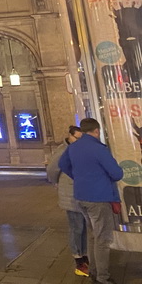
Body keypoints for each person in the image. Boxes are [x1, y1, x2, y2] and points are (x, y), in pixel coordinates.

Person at [58, 118, 123, 284]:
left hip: (81, 196)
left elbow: (62, 164)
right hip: (99, 198)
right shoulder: (98, 149)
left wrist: (79, 177)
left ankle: (93, 271)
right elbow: (116, 173)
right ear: (96, 131)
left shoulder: (74, 147)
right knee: (103, 239)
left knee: (93, 235)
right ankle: (103, 277)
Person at [48, 125, 89, 277]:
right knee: (76, 227)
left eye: (80, 138)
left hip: (79, 193)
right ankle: (78, 258)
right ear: (69, 136)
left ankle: (84, 255)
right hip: (69, 194)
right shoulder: (62, 150)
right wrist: (55, 183)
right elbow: (52, 169)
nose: (78, 141)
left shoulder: (78, 148)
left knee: (82, 226)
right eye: (76, 138)